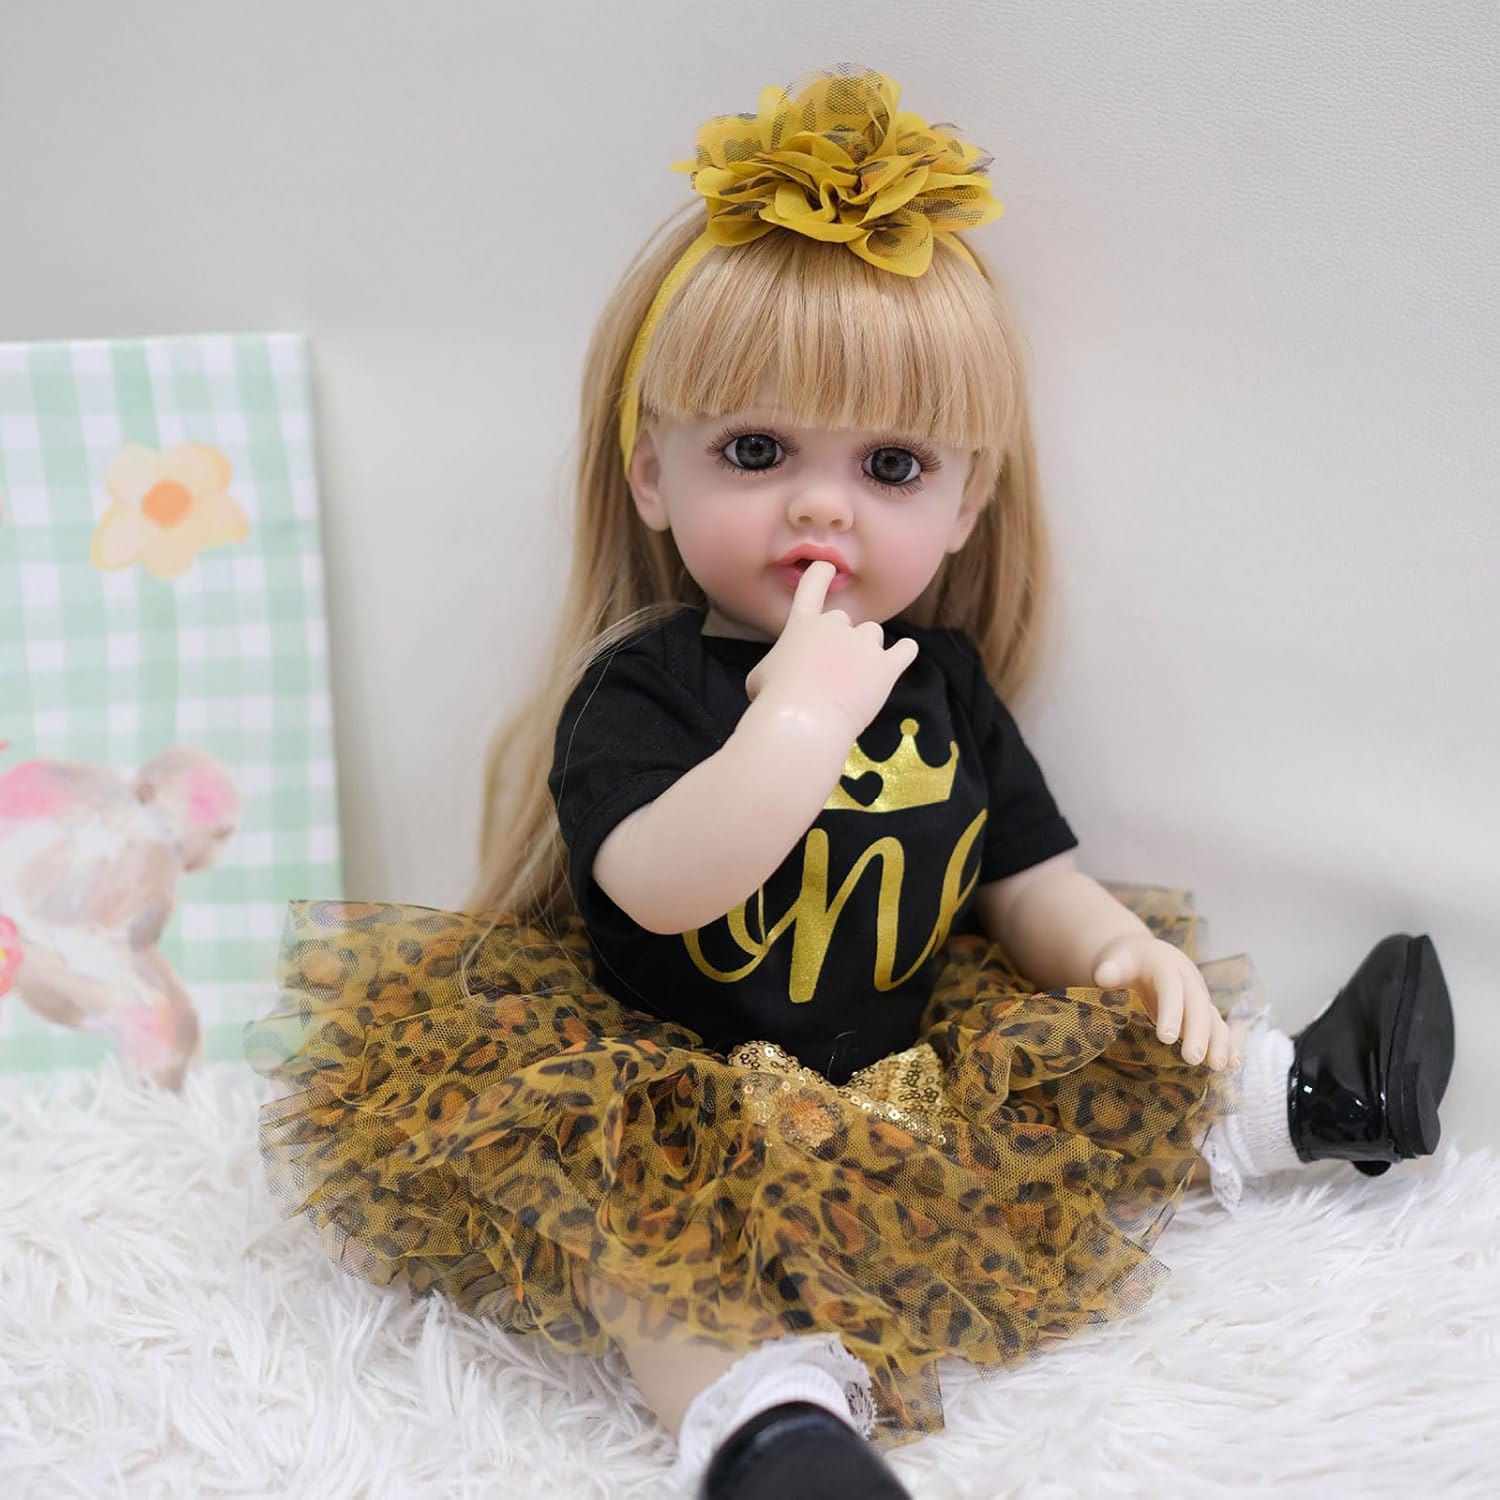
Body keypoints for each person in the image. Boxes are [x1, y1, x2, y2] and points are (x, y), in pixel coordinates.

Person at [243, 64, 1456, 1500]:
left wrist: (1114, 950)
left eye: (891, 464)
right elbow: (657, 879)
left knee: (1087, 1071)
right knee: (648, 1254)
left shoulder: (942, 684)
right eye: (755, 451)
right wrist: (799, 724)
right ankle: (769, 1433)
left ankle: (1296, 1098)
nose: (822, 504)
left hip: (904, 1074)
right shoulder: (645, 689)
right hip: (676, 1093)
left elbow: (1027, 878)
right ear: (652, 476)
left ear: (966, 501)